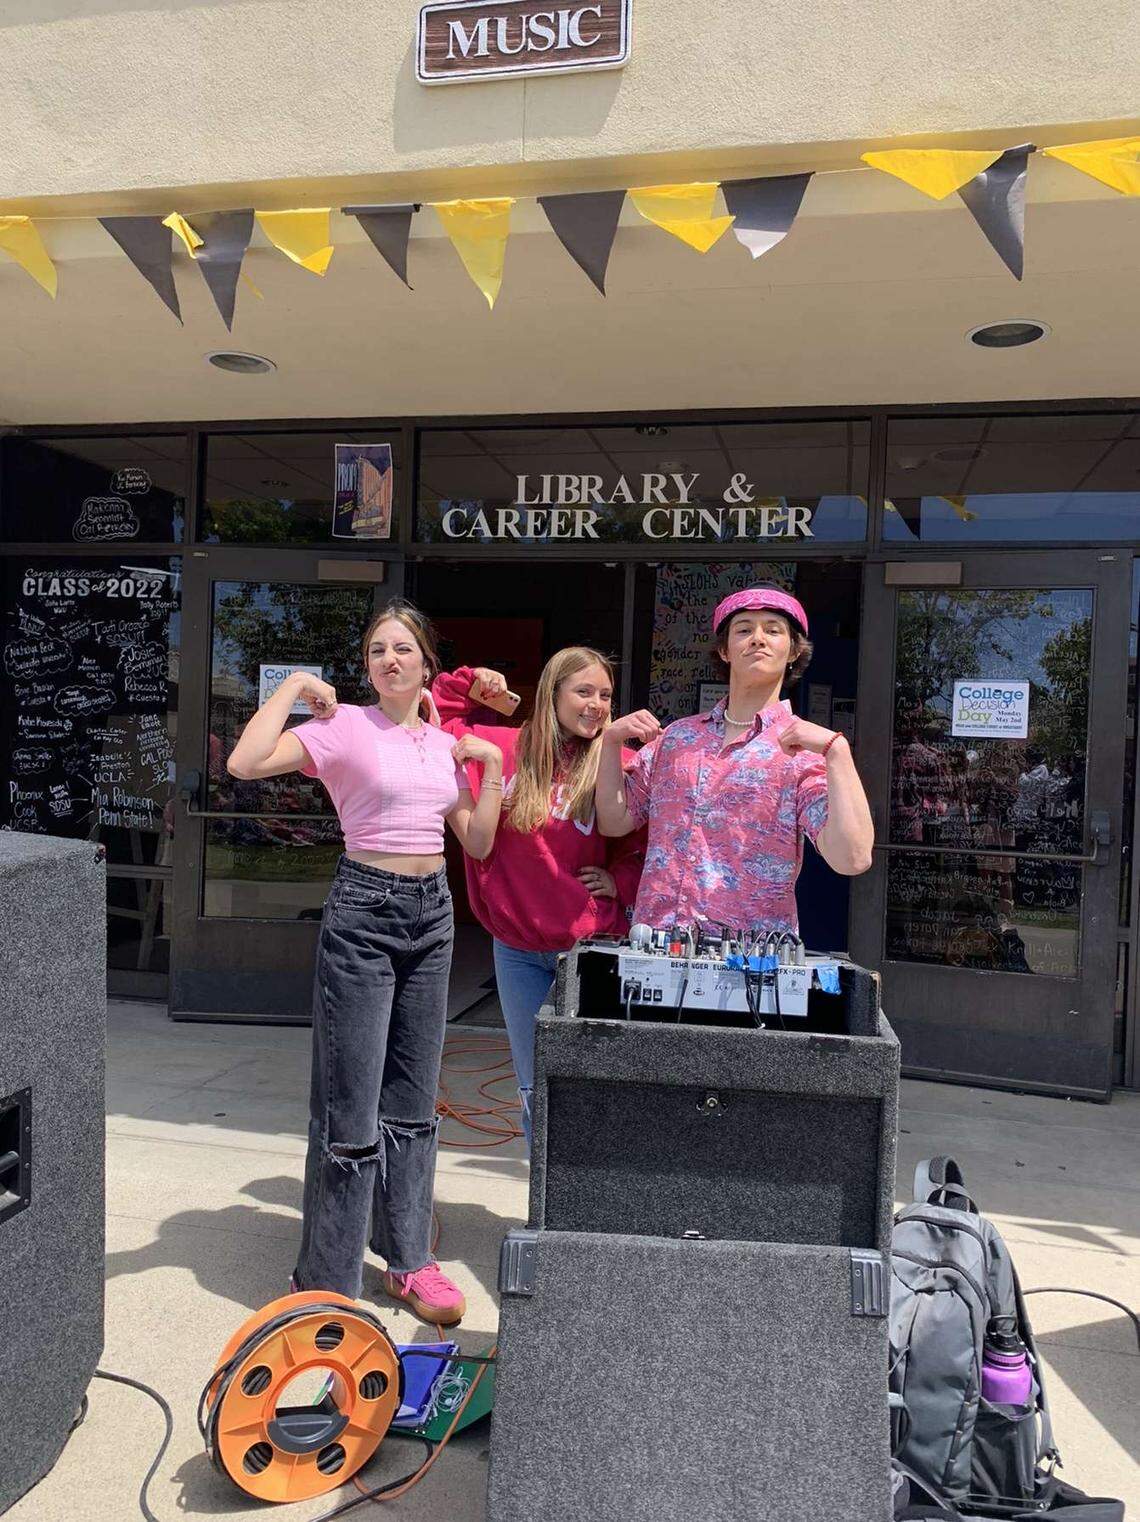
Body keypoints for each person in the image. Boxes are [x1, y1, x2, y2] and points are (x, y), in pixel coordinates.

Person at [226, 601, 504, 1325]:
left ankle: (408, 1261)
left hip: (433, 915)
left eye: (403, 647)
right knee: (350, 1108)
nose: (389, 658)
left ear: (426, 664)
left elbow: (475, 842)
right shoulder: (343, 727)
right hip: (363, 913)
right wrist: (292, 689)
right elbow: (245, 762)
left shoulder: (443, 741)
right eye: (377, 649)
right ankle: (327, 1278)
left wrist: (494, 767)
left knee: (412, 1105)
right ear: (367, 666)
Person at [433, 649, 645, 1146]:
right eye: (583, 692)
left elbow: (651, 842)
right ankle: (543, 1208)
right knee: (536, 1088)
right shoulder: (505, 748)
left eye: (606, 695)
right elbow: (436, 719)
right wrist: (469, 682)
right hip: (517, 951)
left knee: (593, 1085)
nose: (596, 704)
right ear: (553, 695)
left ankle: (592, 1208)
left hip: (592, 950)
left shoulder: (621, 761)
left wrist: (620, 881)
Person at [595, 587, 873, 934]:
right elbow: (615, 821)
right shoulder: (677, 739)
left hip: (751, 963)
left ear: (794, 650)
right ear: (725, 650)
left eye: (773, 629)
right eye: (743, 629)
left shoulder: (802, 751)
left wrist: (838, 752)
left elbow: (852, 858)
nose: (757, 638)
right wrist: (610, 743)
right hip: (658, 948)